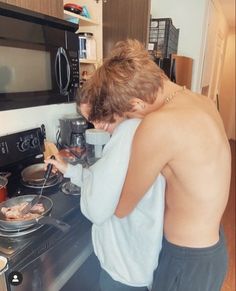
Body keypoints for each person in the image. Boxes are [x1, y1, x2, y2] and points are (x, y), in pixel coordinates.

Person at [79, 39, 231, 291]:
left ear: (136, 105)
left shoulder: (159, 125)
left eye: (126, 117)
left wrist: (88, 177)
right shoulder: (200, 100)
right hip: (213, 250)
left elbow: (121, 208)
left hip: (185, 260)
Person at [46, 109, 166, 289]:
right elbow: (107, 180)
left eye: (95, 116)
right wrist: (70, 170)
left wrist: (80, 179)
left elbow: (97, 210)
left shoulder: (127, 133)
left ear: (112, 104)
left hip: (125, 268)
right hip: (139, 259)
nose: (96, 126)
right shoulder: (142, 127)